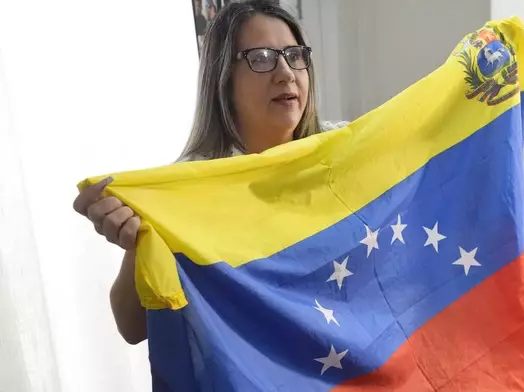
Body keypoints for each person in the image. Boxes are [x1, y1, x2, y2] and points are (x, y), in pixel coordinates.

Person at [72, 0, 346, 345]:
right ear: (223, 78)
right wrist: (138, 240)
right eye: (261, 58)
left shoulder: (344, 149)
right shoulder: (189, 187)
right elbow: (132, 327)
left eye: (295, 55)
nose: (286, 73)